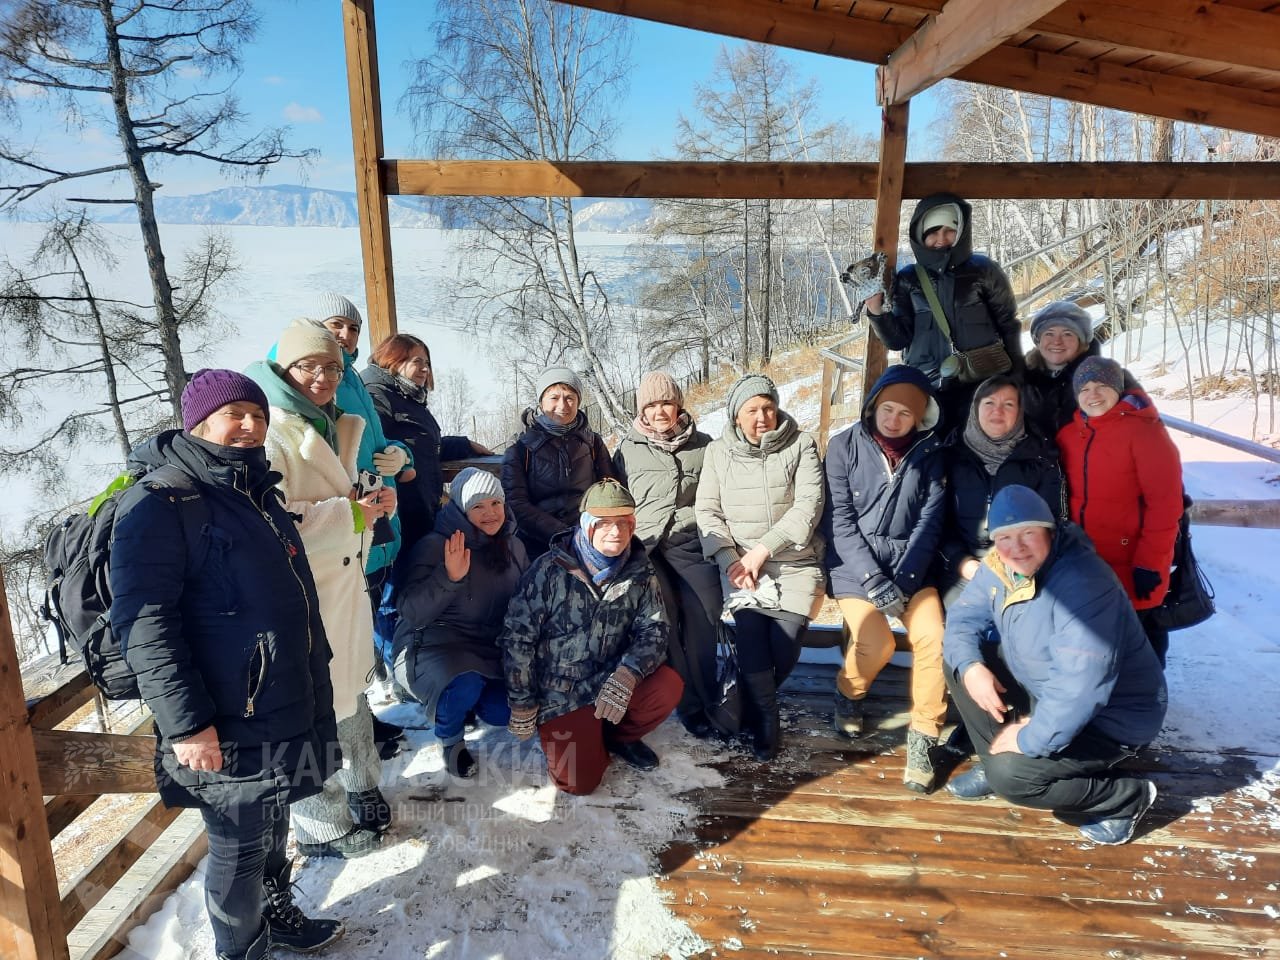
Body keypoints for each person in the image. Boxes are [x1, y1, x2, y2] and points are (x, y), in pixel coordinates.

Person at [110, 370, 344, 959]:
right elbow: (145, 623)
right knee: (238, 846)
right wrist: (187, 724)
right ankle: (243, 949)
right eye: (234, 413)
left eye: (258, 415)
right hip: (223, 711)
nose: (250, 426)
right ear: (198, 422)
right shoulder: (160, 503)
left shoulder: (253, 490)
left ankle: (277, 912)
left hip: (280, 696)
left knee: (274, 816)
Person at [942, 485, 1167, 846]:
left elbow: (1081, 686)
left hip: (1111, 720)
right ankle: (994, 756)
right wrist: (971, 667)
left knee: (1013, 778)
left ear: (1049, 530)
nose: (1017, 547)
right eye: (1005, 537)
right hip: (1048, 693)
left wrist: (1030, 739)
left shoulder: (1083, 584)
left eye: (1028, 532)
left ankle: (1125, 798)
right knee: (960, 662)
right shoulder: (999, 568)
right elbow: (962, 619)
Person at [246, 324, 392, 859]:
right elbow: (270, 523)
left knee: (352, 693)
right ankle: (319, 824)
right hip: (299, 598)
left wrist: (370, 505)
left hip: (343, 588)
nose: (324, 377)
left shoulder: (333, 423)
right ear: (286, 368)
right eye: (311, 366)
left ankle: (362, 783)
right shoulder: (272, 432)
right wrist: (351, 513)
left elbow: (340, 500)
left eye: (332, 367)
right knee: (310, 710)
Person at [501, 479, 683, 795]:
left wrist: (627, 674)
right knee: (578, 782)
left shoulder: (640, 570)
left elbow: (654, 629)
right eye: (605, 524)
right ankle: (587, 738)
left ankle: (618, 737)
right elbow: (518, 638)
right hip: (561, 692)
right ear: (587, 527)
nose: (617, 532)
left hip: (612, 680)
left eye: (625, 523)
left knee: (667, 687)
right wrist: (522, 702)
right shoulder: (548, 570)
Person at [823, 365, 948, 792]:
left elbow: (929, 525)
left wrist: (906, 581)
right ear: (874, 405)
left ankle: (924, 734)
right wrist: (874, 580)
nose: (894, 419)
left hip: (914, 570)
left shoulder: (931, 456)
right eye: (888, 409)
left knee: (934, 636)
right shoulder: (843, 447)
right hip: (856, 569)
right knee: (878, 642)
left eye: (905, 414)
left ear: (920, 418)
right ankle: (849, 692)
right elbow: (840, 522)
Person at [301, 295, 413, 755]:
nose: (345, 336)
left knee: (357, 629)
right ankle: (347, 732)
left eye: (353, 329)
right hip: (340, 524)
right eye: (336, 326)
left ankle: (361, 719)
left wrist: (398, 453)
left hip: (373, 515)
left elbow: (375, 438)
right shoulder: (314, 380)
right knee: (339, 637)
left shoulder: (349, 378)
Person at [695, 374, 825, 761]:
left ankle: (745, 702)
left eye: (768, 407)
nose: (762, 416)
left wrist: (762, 551)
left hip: (794, 561)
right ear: (736, 416)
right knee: (752, 637)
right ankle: (766, 719)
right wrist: (729, 559)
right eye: (751, 410)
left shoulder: (801, 444)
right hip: (739, 564)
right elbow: (708, 511)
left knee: (783, 648)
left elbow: (808, 506)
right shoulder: (719, 453)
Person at [392, 468, 528, 778]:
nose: (491, 513)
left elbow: (528, 598)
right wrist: (448, 577)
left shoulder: (513, 546)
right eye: (478, 506)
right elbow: (411, 612)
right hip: (434, 645)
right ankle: (450, 739)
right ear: (461, 509)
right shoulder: (435, 545)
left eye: (496, 503)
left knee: (502, 711)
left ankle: (466, 703)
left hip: (489, 647)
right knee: (463, 682)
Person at [613, 371, 724, 739]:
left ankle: (712, 697)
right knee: (665, 626)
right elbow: (615, 500)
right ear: (642, 409)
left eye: (666, 402)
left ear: (679, 404)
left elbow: (720, 497)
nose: (660, 411)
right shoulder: (627, 450)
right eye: (652, 404)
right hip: (646, 550)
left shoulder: (705, 446)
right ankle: (689, 706)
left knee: (705, 620)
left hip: (692, 544)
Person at [1056, 356, 1184, 666]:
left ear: (1118, 389)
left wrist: (1150, 564)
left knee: (1141, 642)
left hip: (1133, 559)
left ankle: (1148, 703)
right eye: (1084, 388)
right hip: (1085, 558)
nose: (1093, 395)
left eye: (1102, 386)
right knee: (1096, 640)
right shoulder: (1068, 436)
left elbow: (1166, 505)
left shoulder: (1144, 432)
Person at [861, 193, 1023, 430]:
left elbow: (1008, 324)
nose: (941, 239)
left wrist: (1018, 376)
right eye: (933, 232)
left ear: (961, 232)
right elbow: (898, 340)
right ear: (921, 235)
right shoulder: (908, 279)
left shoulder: (983, 270)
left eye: (949, 230)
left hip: (982, 382)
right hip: (929, 386)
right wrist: (876, 311)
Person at [937, 374, 1065, 608]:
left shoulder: (1041, 458)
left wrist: (1019, 566)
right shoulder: (950, 456)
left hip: (1021, 568)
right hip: (964, 571)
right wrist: (962, 562)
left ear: (1019, 412)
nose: (998, 411)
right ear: (975, 409)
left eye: (1008, 404)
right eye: (989, 403)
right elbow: (937, 524)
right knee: (957, 631)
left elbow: (1052, 523)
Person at [361, 332, 491, 557]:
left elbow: (426, 447)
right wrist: (402, 463)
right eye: (417, 362)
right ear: (393, 360)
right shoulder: (376, 395)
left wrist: (464, 444)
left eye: (427, 363)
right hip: (399, 513)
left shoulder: (410, 399)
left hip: (421, 509)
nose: (425, 369)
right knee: (400, 582)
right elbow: (376, 446)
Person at [501, 365, 615, 561]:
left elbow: (609, 490)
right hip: (537, 543)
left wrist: (590, 528)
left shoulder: (592, 442)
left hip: (587, 536)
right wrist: (562, 533)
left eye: (570, 397)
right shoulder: (521, 445)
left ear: (578, 401)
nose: (562, 405)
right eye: (554, 397)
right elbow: (516, 503)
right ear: (541, 401)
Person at [1023, 300, 1140, 436]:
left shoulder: (1111, 377)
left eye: (1067, 334)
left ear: (1081, 341)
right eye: (1049, 333)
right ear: (1038, 340)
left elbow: (1138, 431)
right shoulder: (1024, 377)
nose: (1057, 341)